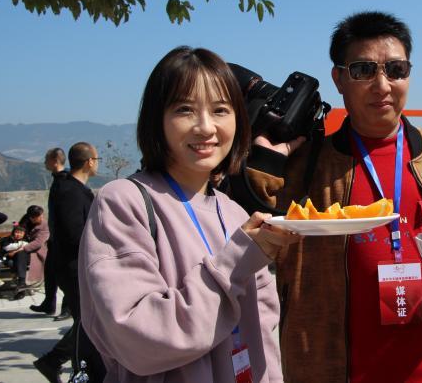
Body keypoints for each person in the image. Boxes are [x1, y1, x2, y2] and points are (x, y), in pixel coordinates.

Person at [243, 11, 422, 382]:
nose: (382, 84)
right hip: (330, 370)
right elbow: (250, 237)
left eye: (396, 69)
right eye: (363, 70)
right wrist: (265, 157)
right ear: (339, 79)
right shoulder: (303, 165)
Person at [78, 46, 298, 382]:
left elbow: (262, 331)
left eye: (221, 110)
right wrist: (236, 261)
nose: (205, 127)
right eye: (185, 110)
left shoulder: (234, 212)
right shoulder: (125, 203)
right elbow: (140, 339)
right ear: (157, 119)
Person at [34, 142, 100, 383]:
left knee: (88, 320)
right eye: (97, 158)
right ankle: (62, 364)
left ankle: (65, 364)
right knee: (89, 321)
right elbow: (75, 234)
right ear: (90, 161)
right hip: (74, 267)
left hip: (71, 266)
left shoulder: (69, 187)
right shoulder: (71, 192)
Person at [31, 148, 72, 319]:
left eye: (47, 159)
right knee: (50, 271)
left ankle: (68, 308)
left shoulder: (65, 181)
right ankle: (49, 303)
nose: (44, 162)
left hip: (63, 239)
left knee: (66, 274)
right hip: (54, 238)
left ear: (55, 160)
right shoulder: (57, 180)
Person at [14, 205, 50, 298]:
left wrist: (24, 247)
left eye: (42, 215)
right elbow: (16, 234)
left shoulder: (45, 225)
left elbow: (39, 242)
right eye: (39, 216)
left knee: (20, 254)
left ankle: (21, 285)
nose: (42, 217)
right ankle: (22, 284)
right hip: (21, 249)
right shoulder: (25, 222)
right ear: (31, 217)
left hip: (36, 251)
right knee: (19, 256)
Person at [0, 223, 29, 297]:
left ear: (24, 234)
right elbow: (7, 247)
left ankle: (17, 282)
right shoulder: (8, 239)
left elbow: (28, 245)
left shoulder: (25, 240)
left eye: (21, 233)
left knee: (14, 262)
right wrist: (21, 245)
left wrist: (17, 250)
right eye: (16, 232)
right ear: (13, 232)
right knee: (9, 263)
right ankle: (17, 282)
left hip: (17, 260)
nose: (18, 235)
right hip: (5, 259)